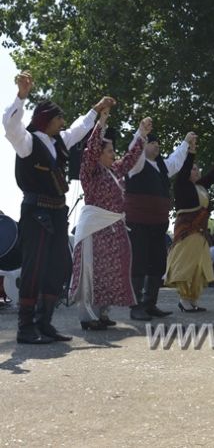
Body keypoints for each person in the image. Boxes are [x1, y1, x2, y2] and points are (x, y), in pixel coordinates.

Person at [3, 71, 114, 343]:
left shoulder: (59, 141)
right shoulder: (27, 142)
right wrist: (21, 96)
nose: (63, 122)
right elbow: (9, 124)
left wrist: (96, 109)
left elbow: (79, 128)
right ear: (47, 120)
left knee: (59, 265)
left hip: (57, 211)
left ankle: (45, 323)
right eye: (58, 118)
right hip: (35, 212)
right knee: (34, 267)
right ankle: (25, 328)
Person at [69, 108, 148, 330]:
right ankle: (87, 317)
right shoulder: (90, 171)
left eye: (114, 150)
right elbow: (90, 150)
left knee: (109, 271)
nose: (114, 154)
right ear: (99, 153)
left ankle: (103, 312)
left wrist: (141, 133)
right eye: (110, 150)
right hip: (94, 227)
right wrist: (101, 122)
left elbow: (131, 158)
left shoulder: (115, 170)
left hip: (113, 228)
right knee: (90, 270)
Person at [125, 120, 195, 321]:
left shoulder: (163, 166)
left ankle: (150, 304)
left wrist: (185, 142)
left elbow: (176, 159)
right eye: (152, 142)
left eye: (157, 143)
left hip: (158, 224)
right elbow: (134, 151)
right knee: (138, 264)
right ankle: (136, 306)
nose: (156, 145)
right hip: (138, 223)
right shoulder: (135, 164)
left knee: (157, 264)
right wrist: (140, 134)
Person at [164, 142, 214, 312]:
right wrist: (191, 152)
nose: (197, 171)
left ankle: (192, 299)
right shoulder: (181, 186)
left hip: (201, 235)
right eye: (193, 169)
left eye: (198, 169)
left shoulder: (200, 186)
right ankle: (184, 299)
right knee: (186, 265)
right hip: (187, 232)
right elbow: (186, 168)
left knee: (198, 268)